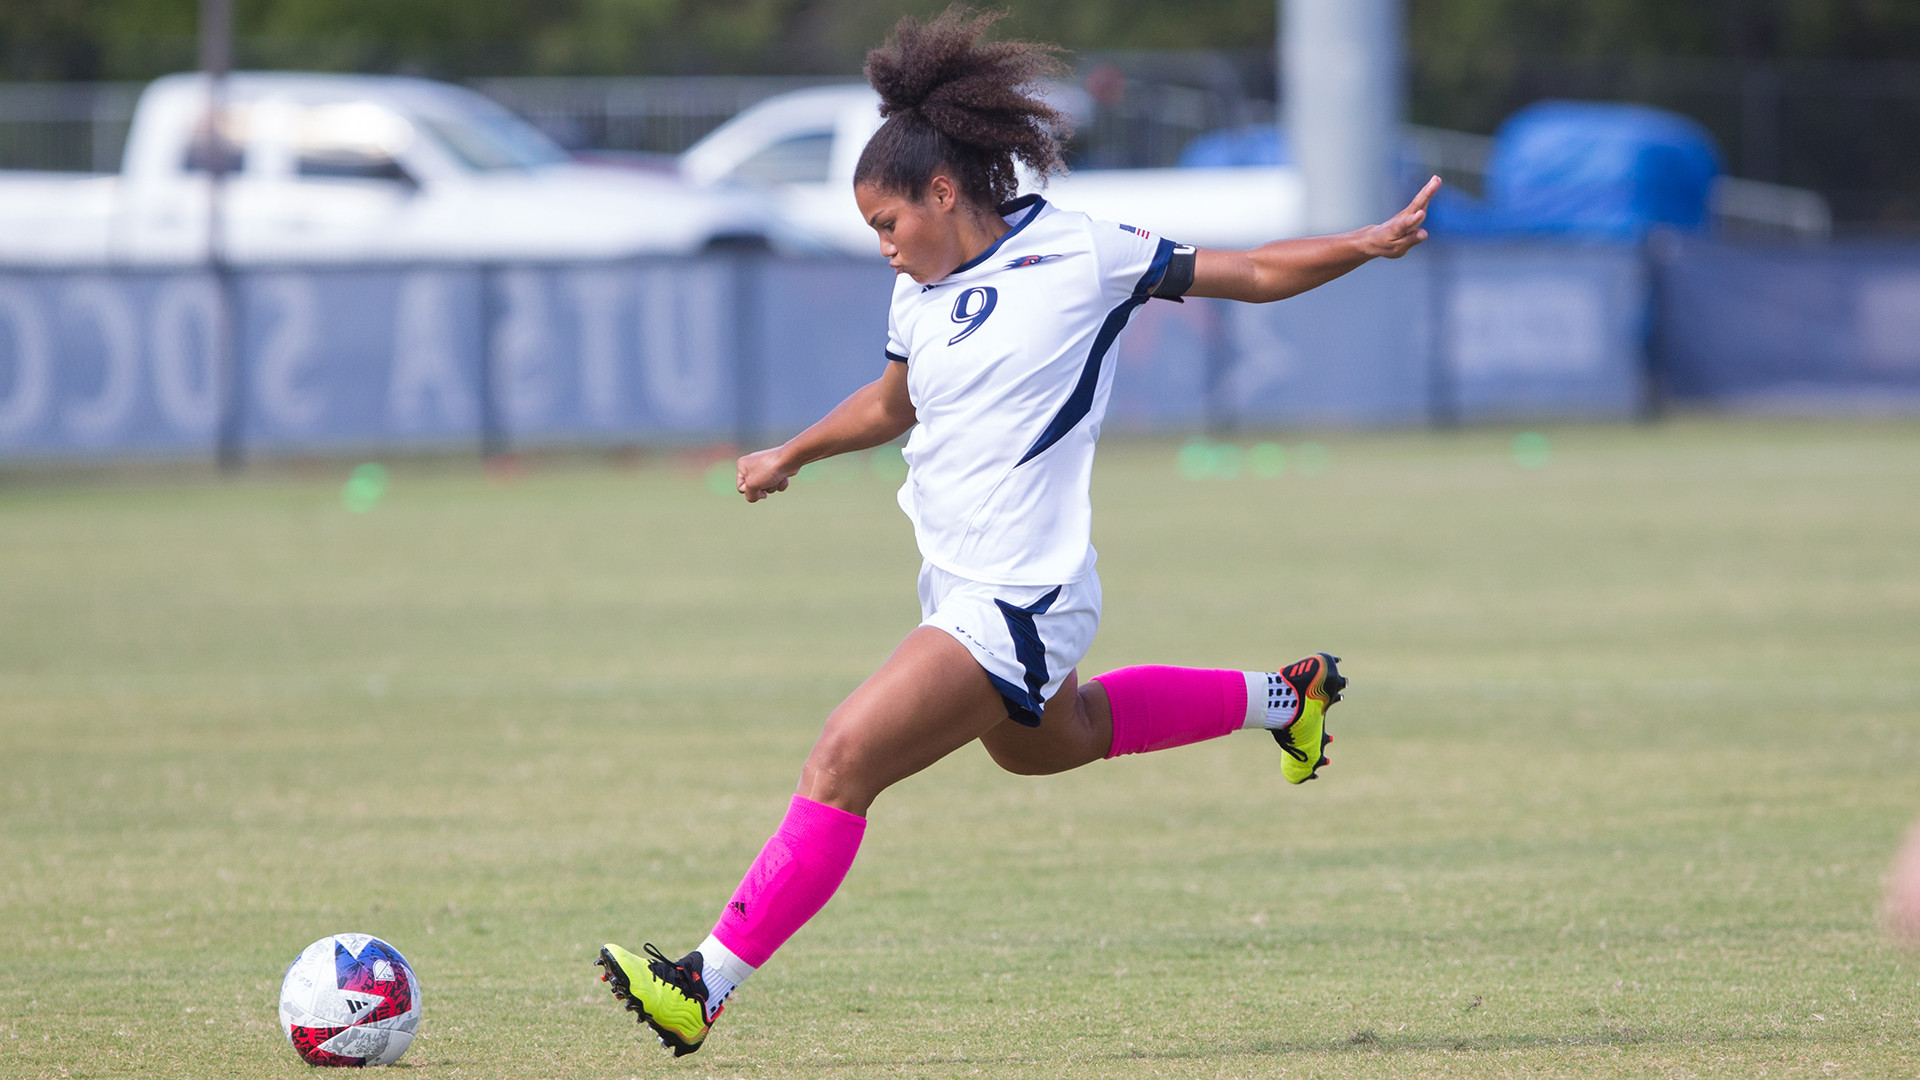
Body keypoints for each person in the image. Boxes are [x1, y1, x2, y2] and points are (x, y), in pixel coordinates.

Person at [595, 8, 1439, 1057]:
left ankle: (703, 985)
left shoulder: (1083, 254)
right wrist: (793, 452)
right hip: (957, 587)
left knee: (842, 759)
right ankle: (1288, 696)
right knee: (1054, 746)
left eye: (888, 225)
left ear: (943, 192)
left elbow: (1254, 272)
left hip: (1025, 593)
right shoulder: (920, 294)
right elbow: (894, 404)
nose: (887, 252)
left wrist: (1366, 242)